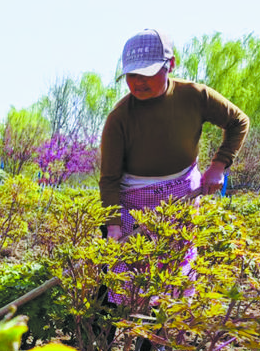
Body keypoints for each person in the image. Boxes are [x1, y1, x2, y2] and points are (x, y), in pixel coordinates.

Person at [99, 28, 249, 296]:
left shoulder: (194, 96)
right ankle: (103, 334)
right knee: (121, 275)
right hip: (133, 202)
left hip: (183, 195)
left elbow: (238, 122)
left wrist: (218, 166)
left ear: (171, 64)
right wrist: (113, 227)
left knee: (173, 272)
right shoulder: (119, 118)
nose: (139, 82)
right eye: (132, 75)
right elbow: (109, 179)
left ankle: (159, 336)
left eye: (148, 73)